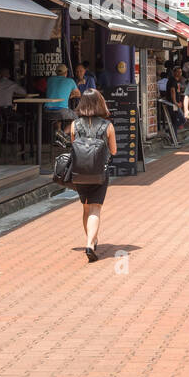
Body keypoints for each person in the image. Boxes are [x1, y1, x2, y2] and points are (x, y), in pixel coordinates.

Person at [68, 89, 117, 262]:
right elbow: (113, 150)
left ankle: (91, 240)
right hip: (99, 172)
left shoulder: (75, 125)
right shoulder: (107, 126)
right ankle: (90, 243)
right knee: (96, 208)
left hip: (80, 173)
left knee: (86, 207)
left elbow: (74, 146)